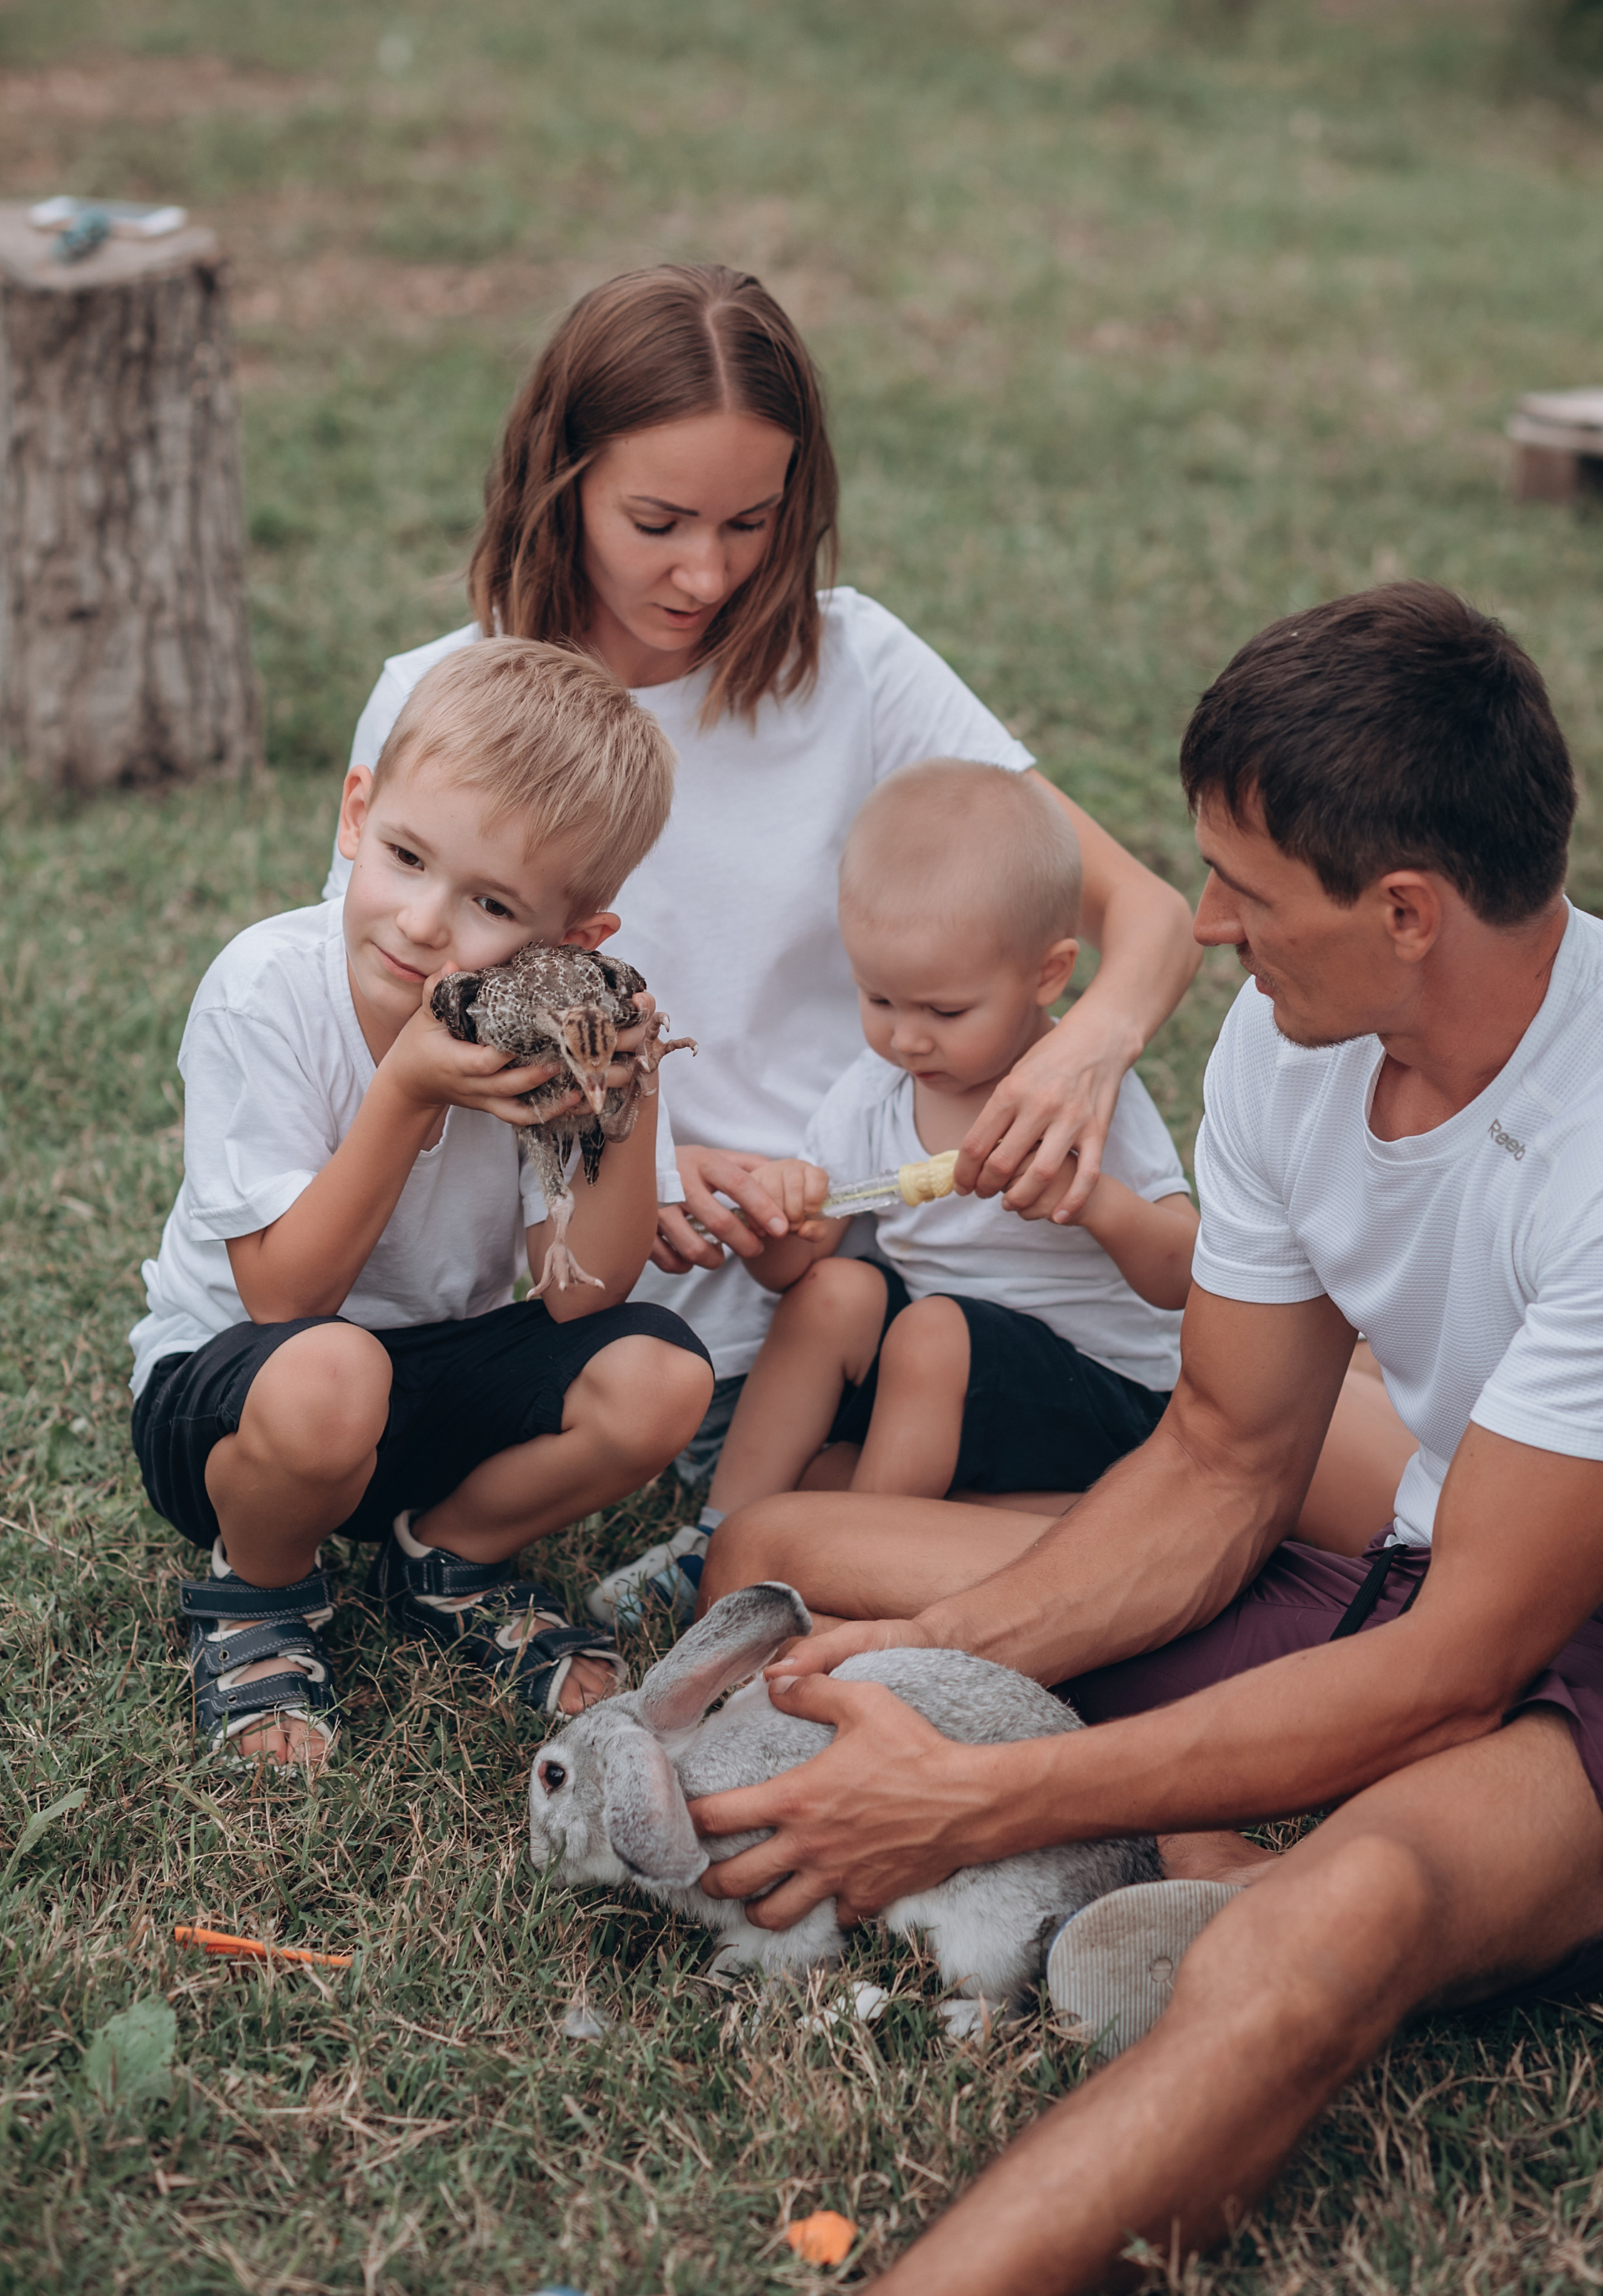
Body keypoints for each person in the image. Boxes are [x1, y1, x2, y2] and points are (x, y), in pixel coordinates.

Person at [687, 585, 1603, 2296]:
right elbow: (1217, 1463)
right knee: (813, 1564)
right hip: (1428, 1554)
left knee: (1339, 1921)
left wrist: (975, 1789)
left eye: (1242, 886)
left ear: (1405, 910)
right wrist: (925, 1657)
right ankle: (1183, 1841)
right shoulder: (1300, 1054)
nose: (1200, 926)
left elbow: (1457, 1665)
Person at [321, 262, 1206, 1615]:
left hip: (890, 1280)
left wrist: (1087, 1047)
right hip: (617, 1315)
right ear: (559, 476)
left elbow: (1144, 913)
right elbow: (399, 1032)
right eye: (658, 518)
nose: (707, 571)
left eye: (752, 519)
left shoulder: (852, 668)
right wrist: (642, 1159)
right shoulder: (446, 701)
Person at [130, 641, 714, 1769]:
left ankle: (445, 1554)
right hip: (237, 1401)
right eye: (406, 857)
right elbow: (286, 1295)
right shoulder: (267, 987)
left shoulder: (557, 1022)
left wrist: (620, 1102)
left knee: (660, 1376)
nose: (424, 921)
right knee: (332, 1367)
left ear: (577, 938)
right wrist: (404, 1090)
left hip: (426, 1385)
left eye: (491, 901)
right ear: (357, 813)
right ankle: (261, 1591)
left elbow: (577, 1292)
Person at [589, 760, 1197, 1621]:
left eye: (944, 1011)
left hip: (1101, 1396)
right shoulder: (875, 1091)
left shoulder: (1070, 1094)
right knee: (839, 1289)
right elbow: (793, 1274)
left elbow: (1183, 1275)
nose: (906, 1037)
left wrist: (1092, 1199)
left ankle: (850, 1577)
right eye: (876, 998)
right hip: (948, 1389)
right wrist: (787, 1213)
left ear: (1047, 975)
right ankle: (719, 1537)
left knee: (931, 1333)